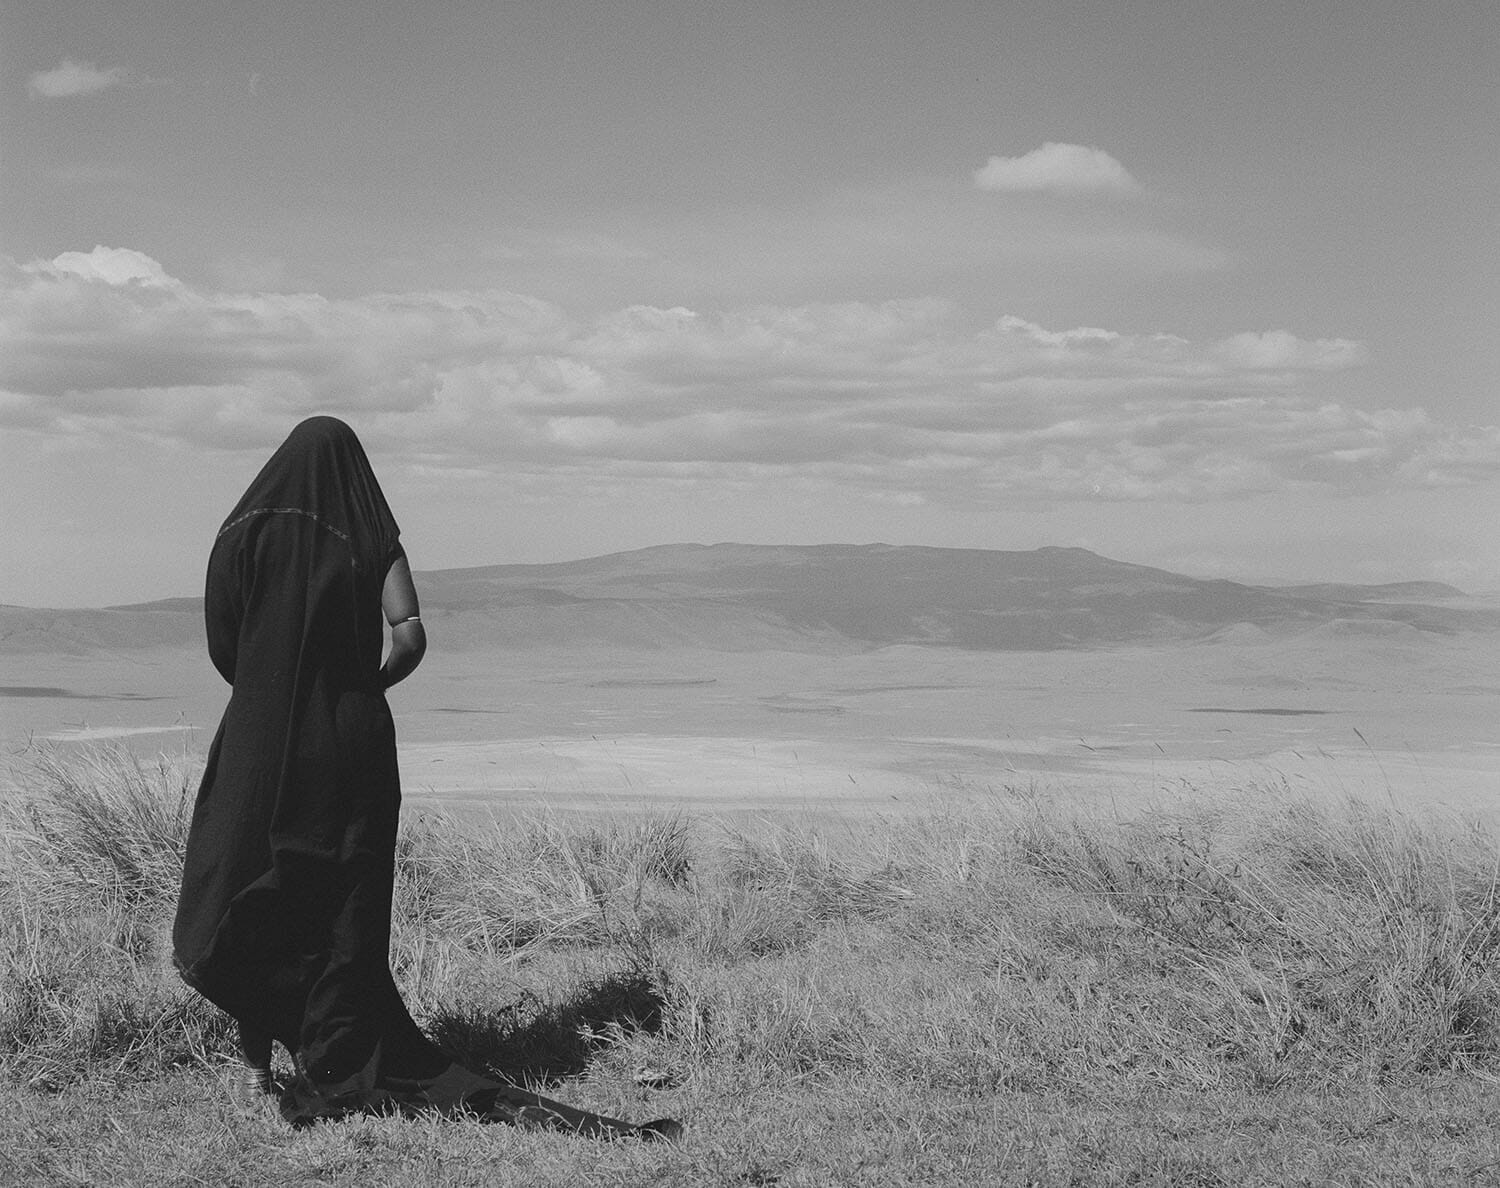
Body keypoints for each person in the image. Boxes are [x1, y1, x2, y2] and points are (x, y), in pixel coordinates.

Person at [172, 416, 677, 1140]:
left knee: (255, 885)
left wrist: (269, 692)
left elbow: (227, 643)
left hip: (260, 734)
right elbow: (409, 635)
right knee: (341, 893)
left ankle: (257, 1066)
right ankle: (339, 1047)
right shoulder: (369, 535)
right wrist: (359, 686)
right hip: (349, 737)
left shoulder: (239, 532)